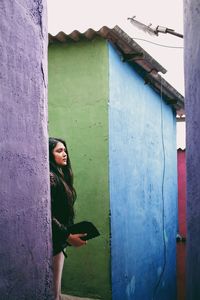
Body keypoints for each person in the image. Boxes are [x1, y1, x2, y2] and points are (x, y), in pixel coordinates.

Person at [49, 137, 87, 300]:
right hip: (55, 239)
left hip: (60, 239)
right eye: (59, 151)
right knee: (53, 293)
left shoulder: (61, 176)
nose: (64, 154)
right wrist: (67, 235)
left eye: (65, 150)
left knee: (56, 292)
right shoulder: (51, 178)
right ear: (49, 155)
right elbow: (47, 215)